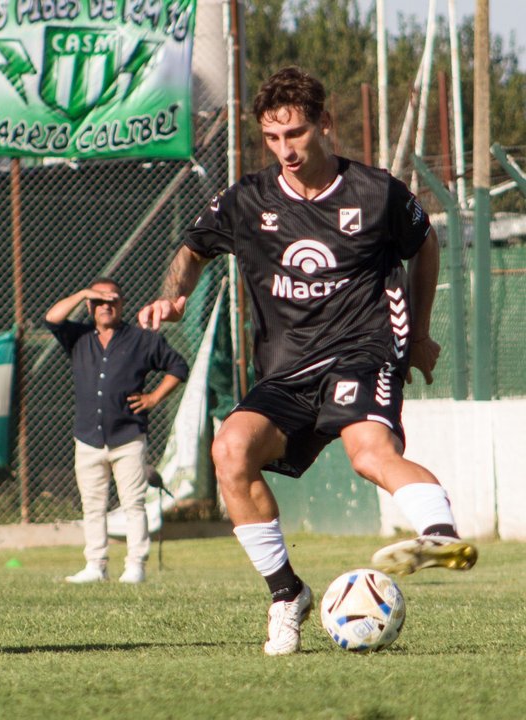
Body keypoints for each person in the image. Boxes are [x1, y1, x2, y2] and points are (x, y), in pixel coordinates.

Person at [138, 66, 477, 655]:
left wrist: (419, 333)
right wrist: (175, 295)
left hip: (361, 351)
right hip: (287, 370)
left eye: (294, 133)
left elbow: (425, 243)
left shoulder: (375, 192)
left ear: (325, 124)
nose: (285, 149)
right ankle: (287, 594)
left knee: (369, 453)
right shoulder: (247, 199)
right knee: (230, 451)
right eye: (272, 138)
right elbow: (193, 248)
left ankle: (440, 534)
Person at [45, 278, 188, 584]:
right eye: (98, 301)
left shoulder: (141, 339)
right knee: (92, 506)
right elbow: (52, 318)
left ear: (122, 305)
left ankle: (136, 565)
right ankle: (95, 565)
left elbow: (178, 367)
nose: (105, 306)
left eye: (112, 301)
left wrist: (154, 398)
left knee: (133, 504)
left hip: (128, 436)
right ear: (89, 306)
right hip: (88, 437)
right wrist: (83, 292)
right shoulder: (79, 337)